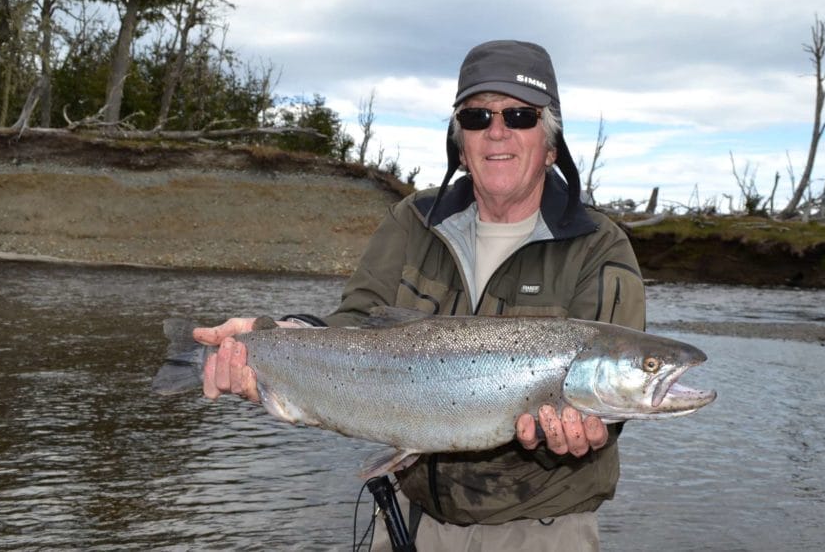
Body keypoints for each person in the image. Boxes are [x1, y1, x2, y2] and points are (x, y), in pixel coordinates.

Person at [195, 40, 646, 550]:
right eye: (477, 117)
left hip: (543, 528)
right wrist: (270, 339)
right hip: (413, 518)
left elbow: (609, 403)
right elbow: (357, 324)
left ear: (549, 145)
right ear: (460, 141)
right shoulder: (414, 221)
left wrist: (590, 431)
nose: (497, 131)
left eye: (519, 115)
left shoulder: (599, 247)